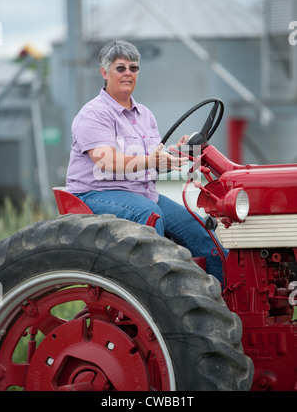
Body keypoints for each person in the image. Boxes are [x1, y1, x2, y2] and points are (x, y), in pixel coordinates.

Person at [66, 40, 224, 284]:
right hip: (96, 193)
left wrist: (176, 154)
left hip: (143, 191)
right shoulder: (94, 113)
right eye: (121, 68)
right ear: (104, 72)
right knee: (150, 215)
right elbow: (106, 161)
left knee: (201, 229)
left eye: (134, 68)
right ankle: (159, 296)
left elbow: (150, 161)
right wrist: (151, 159)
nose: (128, 73)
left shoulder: (144, 115)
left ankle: (225, 301)